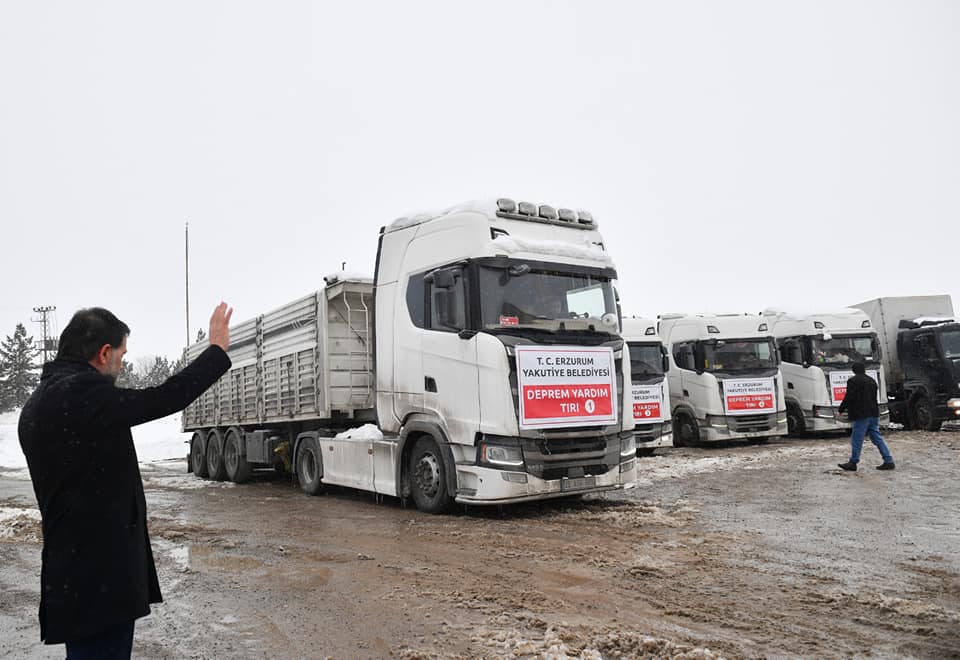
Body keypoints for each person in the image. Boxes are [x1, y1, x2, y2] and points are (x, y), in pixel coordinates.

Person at [18, 303, 233, 658]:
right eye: (121, 354)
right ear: (104, 353)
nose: (121, 364)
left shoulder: (38, 402)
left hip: (73, 574)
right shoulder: (84, 396)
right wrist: (216, 352)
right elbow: (166, 396)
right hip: (100, 580)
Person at [837, 361, 895, 472]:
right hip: (873, 413)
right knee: (877, 437)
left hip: (861, 414)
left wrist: (841, 410)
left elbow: (849, 397)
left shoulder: (853, 381)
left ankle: (853, 463)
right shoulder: (872, 381)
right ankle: (888, 460)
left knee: (856, 439)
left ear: (853, 370)